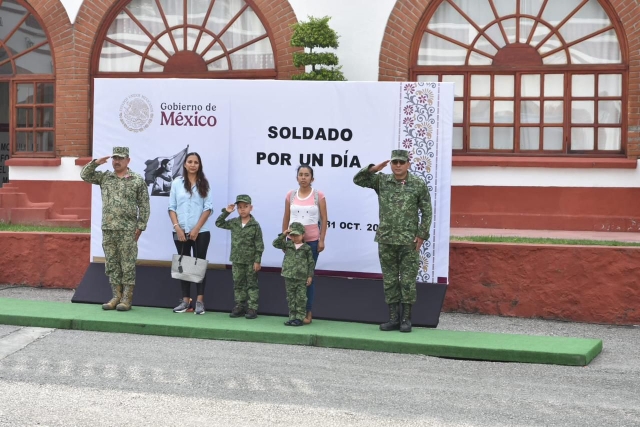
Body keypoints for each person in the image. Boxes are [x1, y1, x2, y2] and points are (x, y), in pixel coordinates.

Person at [353, 149, 432, 333]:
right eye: (395, 162)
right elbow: (358, 180)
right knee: (389, 281)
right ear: (391, 164)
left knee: (407, 281)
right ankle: (393, 318)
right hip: (386, 239)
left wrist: (421, 235)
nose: (397, 165)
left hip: (408, 241)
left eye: (401, 162)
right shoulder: (382, 181)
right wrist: (372, 169)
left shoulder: (418, 184)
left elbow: (427, 211)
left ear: (408, 164)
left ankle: (406, 319)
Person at [80, 146, 150, 311]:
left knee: (127, 264)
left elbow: (144, 205)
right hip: (109, 228)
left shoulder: (137, 180)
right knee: (112, 264)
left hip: (128, 230)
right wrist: (95, 163)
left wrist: (140, 226)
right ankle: (115, 296)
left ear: (128, 160)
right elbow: (84, 175)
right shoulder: (106, 178)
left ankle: (126, 299)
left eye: (120, 158)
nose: (116, 161)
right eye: (114, 158)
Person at [281, 164, 327, 324]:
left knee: (308, 278)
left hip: (312, 243)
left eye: (307, 175)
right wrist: (284, 239)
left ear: (312, 178)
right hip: (293, 243)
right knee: (293, 278)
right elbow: (286, 217)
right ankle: (294, 313)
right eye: (301, 174)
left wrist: (321, 239)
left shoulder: (318, 195)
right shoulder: (291, 195)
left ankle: (307, 312)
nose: (303, 177)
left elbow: (324, 219)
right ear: (297, 177)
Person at [168, 152, 213, 315]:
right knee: (184, 264)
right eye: (190, 161)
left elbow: (208, 208)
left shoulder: (204, 184)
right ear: (185, 164)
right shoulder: (176, 183)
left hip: (201, 232)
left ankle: (200, 301)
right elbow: (171, 207)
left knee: (199, 265)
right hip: (180, 232)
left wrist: (196, 229)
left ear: (199, 165)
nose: (193, 164)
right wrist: (178, 228)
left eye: (196, 162)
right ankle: (185, 301)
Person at [215, 194, 264, 319]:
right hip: (237, 259)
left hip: (250, 260)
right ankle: (240, 306)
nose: (242, 209)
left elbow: (259, 245)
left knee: (252, 284)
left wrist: (257, 261)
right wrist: (226, 212)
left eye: (245, 206)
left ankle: (252, 308)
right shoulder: (234, 223)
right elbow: (218, 223)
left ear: (251, 208)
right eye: (240, 207)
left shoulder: (255, 225)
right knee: (238, 283)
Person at [272, 222, 315, 327]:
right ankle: (292, 317)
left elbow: (311, 263)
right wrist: (284, 234)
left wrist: (309, 276)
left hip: (301, 277)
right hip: (289, 275)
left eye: (297, 235)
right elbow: (275, 244)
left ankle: (300, 318)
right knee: (291, 297)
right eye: (292, 235)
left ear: (303, 235)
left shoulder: (306, 248)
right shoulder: (288, 245)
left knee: (300, 298)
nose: (295, 238)